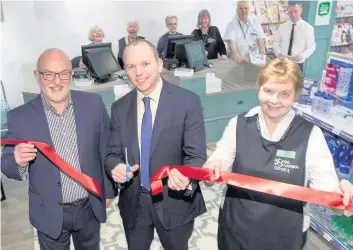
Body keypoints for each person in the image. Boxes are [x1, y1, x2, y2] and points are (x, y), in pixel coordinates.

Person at [204, 58, 353, 250]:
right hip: (237, 228)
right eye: (268, 91)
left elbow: (328, 193)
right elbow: (218, 160)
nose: (274, 100)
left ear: (295, 96)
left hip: (285, 234)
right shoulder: (238, 124)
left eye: (284, 94)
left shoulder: (310, 135)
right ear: (259, 88)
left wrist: (341, 198)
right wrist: (212, 167)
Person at [1, 48, 116, 250]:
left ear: (71, 75)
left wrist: (108, 191)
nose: (57, 81)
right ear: (37, 76)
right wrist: (17, 160)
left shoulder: (93, 104)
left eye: (64, 74)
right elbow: (7, 165)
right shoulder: (20, 117)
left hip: (89, 206)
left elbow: (106, 149)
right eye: (49, 74)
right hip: (49, 212)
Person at [105, 39, 207, 250]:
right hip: (134, 202)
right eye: (131, 67)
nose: (138, 72)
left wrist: (187, 175)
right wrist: (115, 167)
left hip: (174, 200)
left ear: (159, 64)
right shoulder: (119, 108)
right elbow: (111, 154)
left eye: (145, 64)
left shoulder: (188, 102)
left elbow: (196, 155)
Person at [273, 3, 316, 71]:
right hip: (283, 62)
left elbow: (311, 47)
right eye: (290, 12)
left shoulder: (308, 28)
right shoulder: (282, 27)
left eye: (296, 11)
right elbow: (276, 42)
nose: (293, 15)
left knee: (296, 81)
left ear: (301, 11)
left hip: (297, 63)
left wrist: (302, 56)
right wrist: (278, 53)